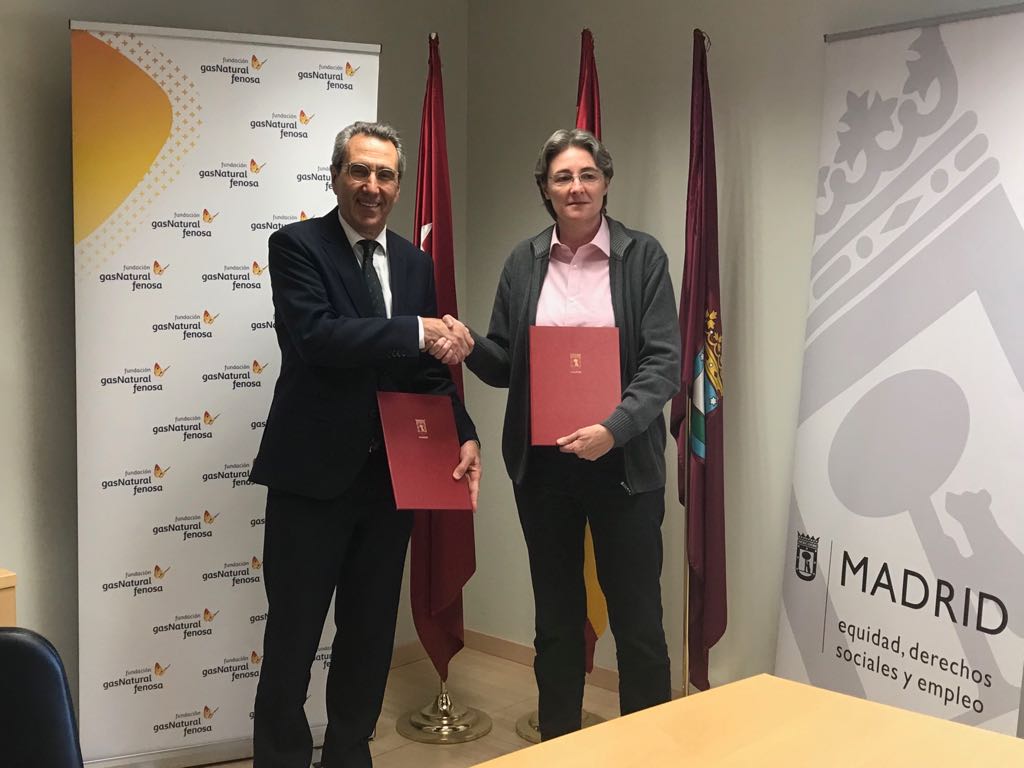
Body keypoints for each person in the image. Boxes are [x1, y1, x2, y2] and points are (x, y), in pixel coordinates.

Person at [249, 121, 480, 768]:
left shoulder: (414, 263)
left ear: (399, 186)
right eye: (359, 170)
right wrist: (415, 330)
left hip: (390, 483)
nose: (371, 186)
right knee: (292, 640)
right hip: (311, 482)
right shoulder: (296, 245)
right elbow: (318, 337)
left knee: (369, 637)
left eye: (385, 174)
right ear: (336, 177)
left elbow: (426, 371)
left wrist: (463, 433)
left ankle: (349, 755)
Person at [438, 128, 680, 739]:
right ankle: (559, 744)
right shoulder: (524, 262)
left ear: (605, 182)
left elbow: (663, 365)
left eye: (587, 175)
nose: (576, 187)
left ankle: (645, 750)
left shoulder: (643, 257)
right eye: (562, 177)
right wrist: (470, 346)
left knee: (638, 622)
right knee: (555, 621)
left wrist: (612, 429)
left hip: (623, 465)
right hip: (544, 470)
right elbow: (506, 363)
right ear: (545, 189)